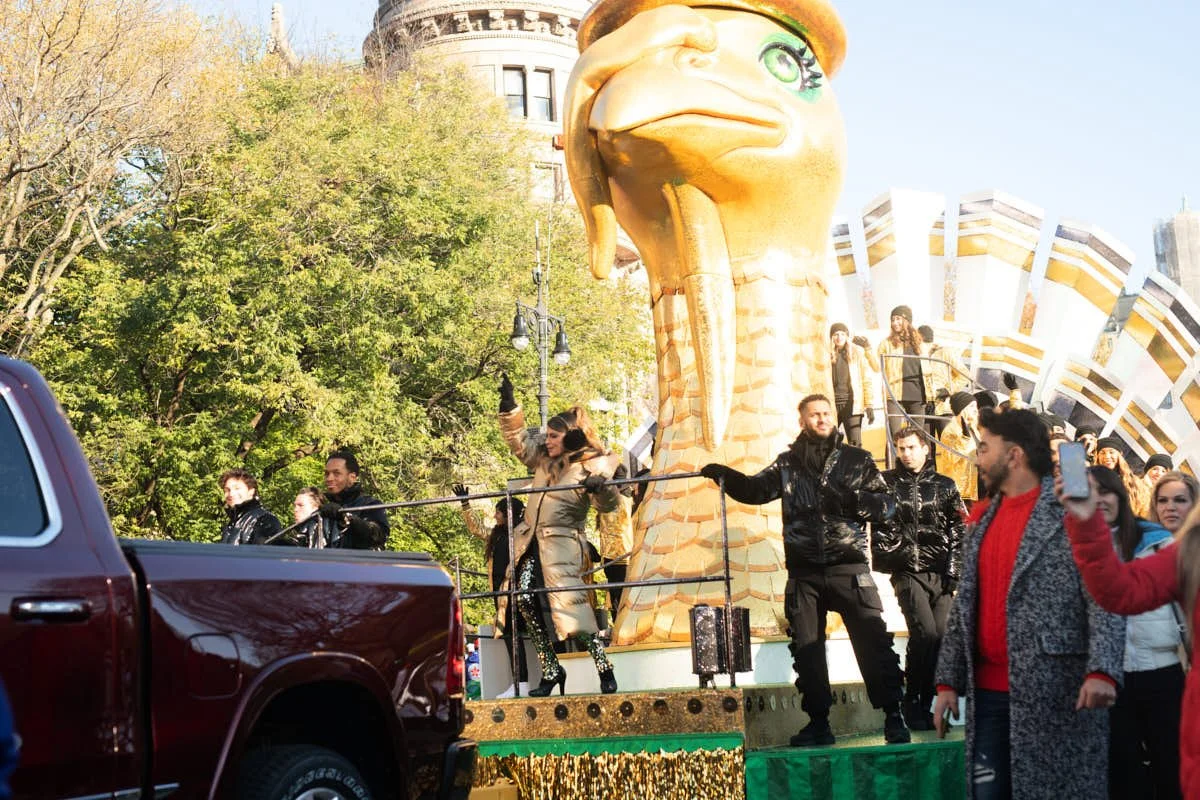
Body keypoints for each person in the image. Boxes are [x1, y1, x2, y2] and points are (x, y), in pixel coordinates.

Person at [933, 408, 1124, 800]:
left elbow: (1105, 595)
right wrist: (947, 681)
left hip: (1057, 693)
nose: (977, 457)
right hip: (987, 696)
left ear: (1014, 455)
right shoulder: (981, 519)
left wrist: (1103, 669)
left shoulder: (1073, 509)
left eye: (985, 448)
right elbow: (964, 605)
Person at [700, 393, 910, 745]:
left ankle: (893, 715)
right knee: (807, 649)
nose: (823, 419)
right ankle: (819, 722)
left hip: (848, 565)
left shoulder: (856, 460)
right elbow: (755, 489)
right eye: (815, 415)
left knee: (873, 643)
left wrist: (852, 500)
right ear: (803, 421)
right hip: (804, 571)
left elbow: (887, 505)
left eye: (827, 413)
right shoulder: (788, 464)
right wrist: (726, 476)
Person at [1060, 477, 1200, 798]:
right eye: (1164, 500)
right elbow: (1119, 591)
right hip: (1119, 674)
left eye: (1179, 500)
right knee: (1132, 769)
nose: (1171, 508)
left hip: (1164, 671)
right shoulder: (1187, 549)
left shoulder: (1162, 541)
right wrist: (1086, 525)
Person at [497, 374, 621, 696]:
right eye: (548, 436)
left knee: (574, 611)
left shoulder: (590, 467)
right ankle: (551, 670)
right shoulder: (543, 460)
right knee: (522, 600)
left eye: (553, 436)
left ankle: (604, 668)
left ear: (571, 438)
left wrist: (601, 488)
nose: (547, 440)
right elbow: (520, 443)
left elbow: (610, 505)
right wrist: (510, 408)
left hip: (563, 545)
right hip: (531, 542)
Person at [1087, 466, 1183, 800]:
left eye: (1106, 492)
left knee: (1170, 764)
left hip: (1164, 669)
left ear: (1121, 495)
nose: (1099, 500)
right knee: (1123, 769)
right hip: (1112, 677)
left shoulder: (1156, 541)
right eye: (1090, 494)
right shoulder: (1080, 548)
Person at [873, 427, 965, 731]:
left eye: (911, 447)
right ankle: (911, 702)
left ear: (925, 448)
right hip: (907, 572)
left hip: (939, 573)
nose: (906, 454)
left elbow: (959, 530)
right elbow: (880, 526)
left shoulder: (945, 485)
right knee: (924, 634)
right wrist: (896, 560)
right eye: (901, 448)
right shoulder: (886, 483)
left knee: (940, 638)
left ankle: (923, 704)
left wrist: (953, 571)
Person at [456, 484, 529, 698]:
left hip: (517, 590)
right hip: (500, 592)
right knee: (508, 635)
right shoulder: (496, 535)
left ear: (508, 513)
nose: (495, 515)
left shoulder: (522, 532)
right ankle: (519, 682)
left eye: (498, 511)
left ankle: (523, 682)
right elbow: (476, 528)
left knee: (517, 634)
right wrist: (465, 504)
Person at [319, 450, 390, 549]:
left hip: (358, 563)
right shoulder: (322, 508)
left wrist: (346, 518)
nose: (329, 478)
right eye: (327, 474)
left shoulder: (370, 505)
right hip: (323, 563)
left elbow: (378, 536)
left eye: (336, 473)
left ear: (352, 477)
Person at [878, 305, 930, 437]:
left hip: (917, 393)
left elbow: (928, 370)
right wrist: (867, 350)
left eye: (898, 319)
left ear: (906, 320)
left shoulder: (919, 343)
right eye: (892, 320)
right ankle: (894, 458)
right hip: (894, 394)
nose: (895, 323)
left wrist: (931, 393)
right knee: (895, 436)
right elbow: (876, 366)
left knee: (918, 436)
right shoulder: (887, 343)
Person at [829, 322, 877, 446]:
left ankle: (857, 466)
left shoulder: (857, 353)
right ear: (831, 337)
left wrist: (869, 404)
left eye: (842, 334)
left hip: (852, 404)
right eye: (835, 334)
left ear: (847, 336)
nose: (839, 337)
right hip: (832, 404)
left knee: (855, 444)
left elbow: (866, 379)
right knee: (828, 443)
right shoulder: (826, 355)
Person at [918, 325, 969, 437]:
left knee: (949, 441)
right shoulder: (917, 355)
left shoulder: (945, 352)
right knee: (924, 444)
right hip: (923, 405)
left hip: (944, 405)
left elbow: (964, 374)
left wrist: (948, 390)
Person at [218, 468, 282, 545]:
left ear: (251, 491)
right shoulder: (231, 523)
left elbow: (264, 554)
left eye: (237, 488)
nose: (231, 494)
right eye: (227, 490)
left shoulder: (265, 520)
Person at [939, 391, 980, 505]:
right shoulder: (950, 430)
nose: (976, 410)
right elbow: (951, 458)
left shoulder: (972, 426)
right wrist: (965, 439)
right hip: (961, 490)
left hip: (976, 483)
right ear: (963, 409)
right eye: (972, 407)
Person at [1095, 436, 1150, 518]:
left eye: (1111, 452)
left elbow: (1143, 510)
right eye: (1102, 453)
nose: (1107, 456)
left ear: (1119, 454)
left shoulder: (1134, 483)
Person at [1150, 471, 1199, 539]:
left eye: (1180, 500)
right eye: (1163, 500)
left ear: (1195, 504)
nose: (1170, 507)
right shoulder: (1140, 545)